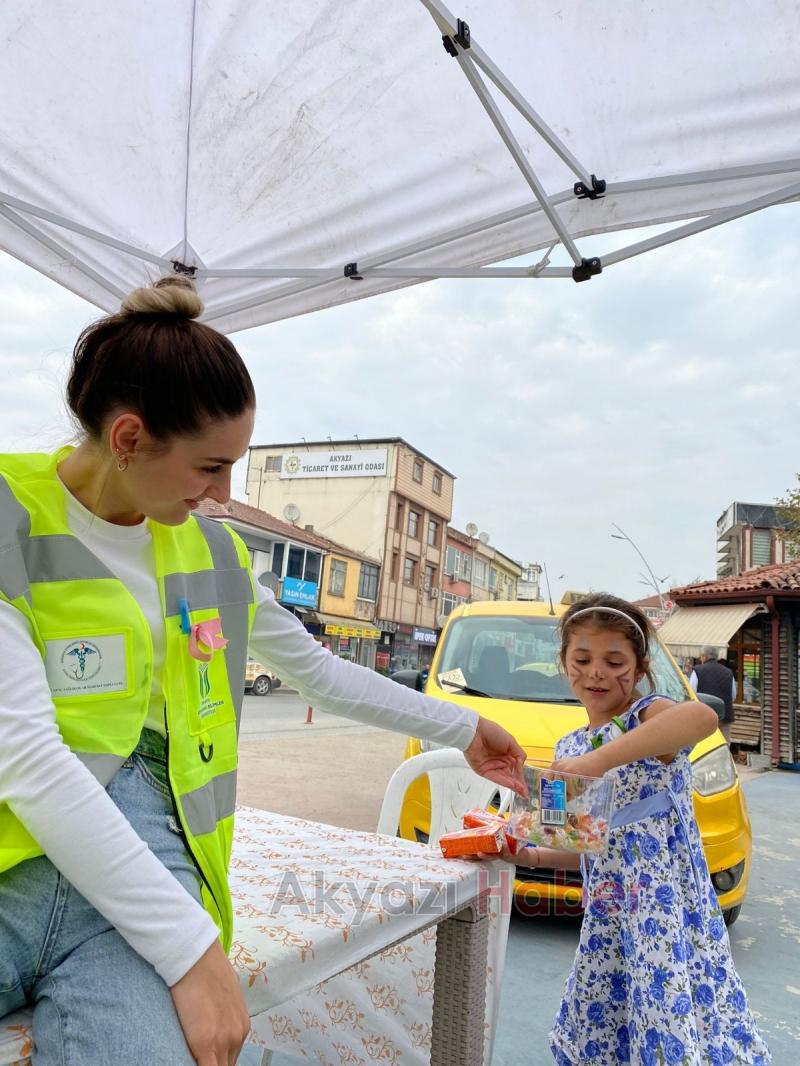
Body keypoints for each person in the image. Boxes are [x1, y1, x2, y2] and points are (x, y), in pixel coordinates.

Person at [0, 276, 527, 1066]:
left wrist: (467, 727)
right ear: (129, 438)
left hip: (143, 877)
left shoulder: (213, 550)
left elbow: (313, 669)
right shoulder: (9, 513)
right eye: (210, 468)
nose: (223, 496)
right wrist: (190, 954)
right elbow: (30, 758)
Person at [482, 593, 770, 1065]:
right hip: (611, 916)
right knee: (613, 1023)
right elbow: (580, 844)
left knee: (667, 1014)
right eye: (583, 658)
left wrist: (596, 762)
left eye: (613, 660)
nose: (596, 671)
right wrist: (528, 854)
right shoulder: (569, 745)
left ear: (638, 669)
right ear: (565, 664)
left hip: (664, 914)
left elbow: (701, 717)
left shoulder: (647, 716)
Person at [695, 646, 737, 743]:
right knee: (723, 745)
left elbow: (692, 694)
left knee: (704, 746)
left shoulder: (697, 671)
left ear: (704, 656)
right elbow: (733, 696)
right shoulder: (728, 672)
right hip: (724, 717)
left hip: (703, 717)